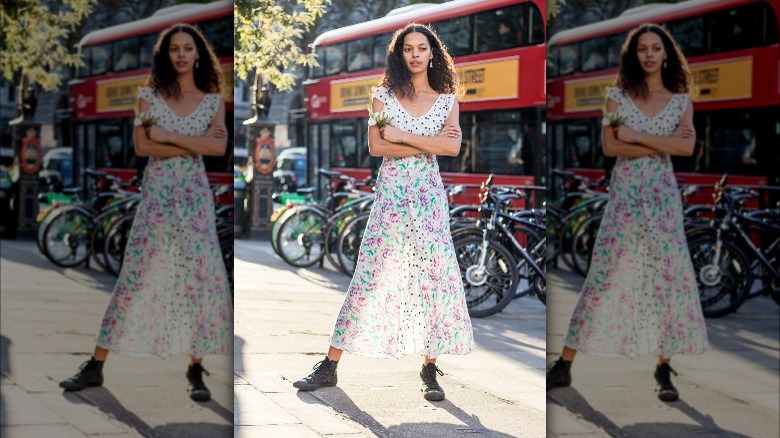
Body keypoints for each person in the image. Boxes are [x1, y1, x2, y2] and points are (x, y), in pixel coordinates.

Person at [293, 23, 474, 402]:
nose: (414, 54)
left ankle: (429, 367)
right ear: (399, 54)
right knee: (370, 276)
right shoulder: (382, 97)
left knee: (434, 279)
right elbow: (378, 148)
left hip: (428, 200)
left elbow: (452, 150)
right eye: (407, 48)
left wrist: (403, 137)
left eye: (422, 48)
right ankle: (329, 365)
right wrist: (429, 144)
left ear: (432, 53)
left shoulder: (447, 100)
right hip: (391, 198)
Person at [59, 23, 232, 402]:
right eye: (174, 49)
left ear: (198, 53)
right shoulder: (148, 97)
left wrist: (168, 138)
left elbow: (217, 150)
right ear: (166, 55)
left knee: (200, 278)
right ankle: (95, 365)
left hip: (194, 200)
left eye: (188, 48)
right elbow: (141, 147)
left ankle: (194, 367)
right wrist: (194, 144)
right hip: (156, 199)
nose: (181, 54)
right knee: (134, 276)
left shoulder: (212, 101)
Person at [546, 23, 708, 402]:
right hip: (625, 199)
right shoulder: (616, 96)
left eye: (656, 47)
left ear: (666, 53)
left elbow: (686, 150)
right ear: (634, 55)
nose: (649, 54)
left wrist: (634, 137)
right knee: (602, 277)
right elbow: (609, 146)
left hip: (663, 203)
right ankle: (564, 364)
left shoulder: (682, 99)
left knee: (667, 280)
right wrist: (659, 144)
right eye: (642, 49)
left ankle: (664, 367)